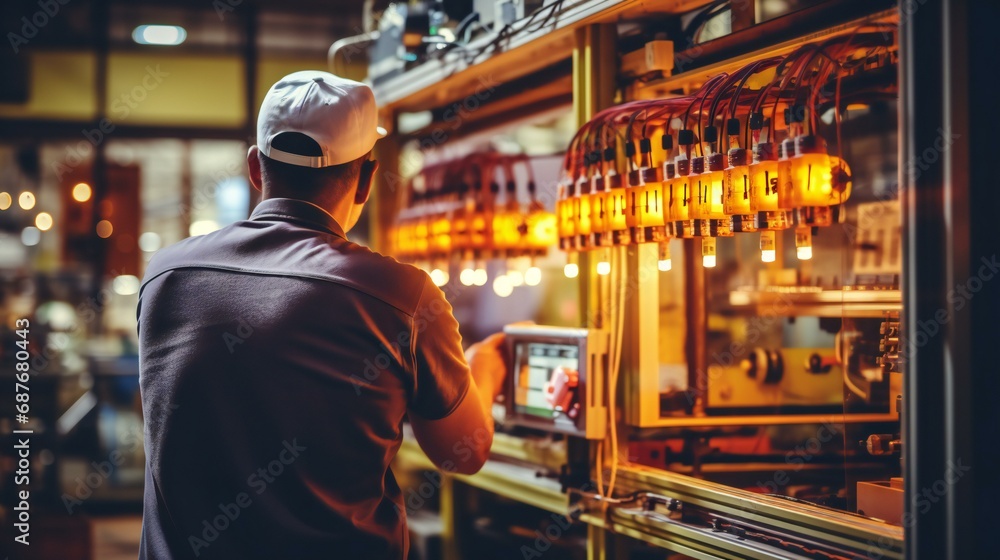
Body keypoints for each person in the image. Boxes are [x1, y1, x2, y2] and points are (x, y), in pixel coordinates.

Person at [137, 70, 506, 559]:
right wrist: (486, 368)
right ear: (368, 178)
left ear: (254, 167)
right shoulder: (401, 294)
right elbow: (464, 452)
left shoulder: (165, 274)